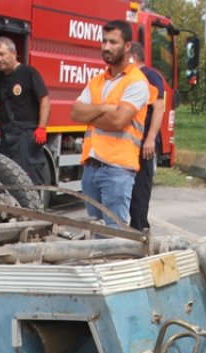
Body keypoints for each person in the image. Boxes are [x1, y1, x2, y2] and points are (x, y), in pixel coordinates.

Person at [70, 20, 149, 229]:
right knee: (95, 232)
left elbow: (118, 121)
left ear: (127, 46)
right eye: (103, 41)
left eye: (113, 42)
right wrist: (105, 108)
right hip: (91, 167)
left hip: (117, 170)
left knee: (114, 237)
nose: (106, 47)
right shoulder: (97, 80)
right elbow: (75, 112)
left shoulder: (136, 82)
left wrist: (92, 113)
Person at [0, 37, 50, 187]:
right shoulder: (0, 79)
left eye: (2, 54)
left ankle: (34, 207)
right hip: (7, 134)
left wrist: (42, 127)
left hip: (26, 134)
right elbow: (1, 105)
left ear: (13, 53)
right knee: (6, 175)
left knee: (29, 177)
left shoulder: (28, 73)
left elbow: (45, 100)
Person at [125, 42, 166, 232]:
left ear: (132, 57)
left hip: (144, 144)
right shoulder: (128, 77)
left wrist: (150, 139)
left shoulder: (150, 76)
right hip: (130, 143)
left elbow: (159, 108)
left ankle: (140, 228)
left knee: (140, 189)